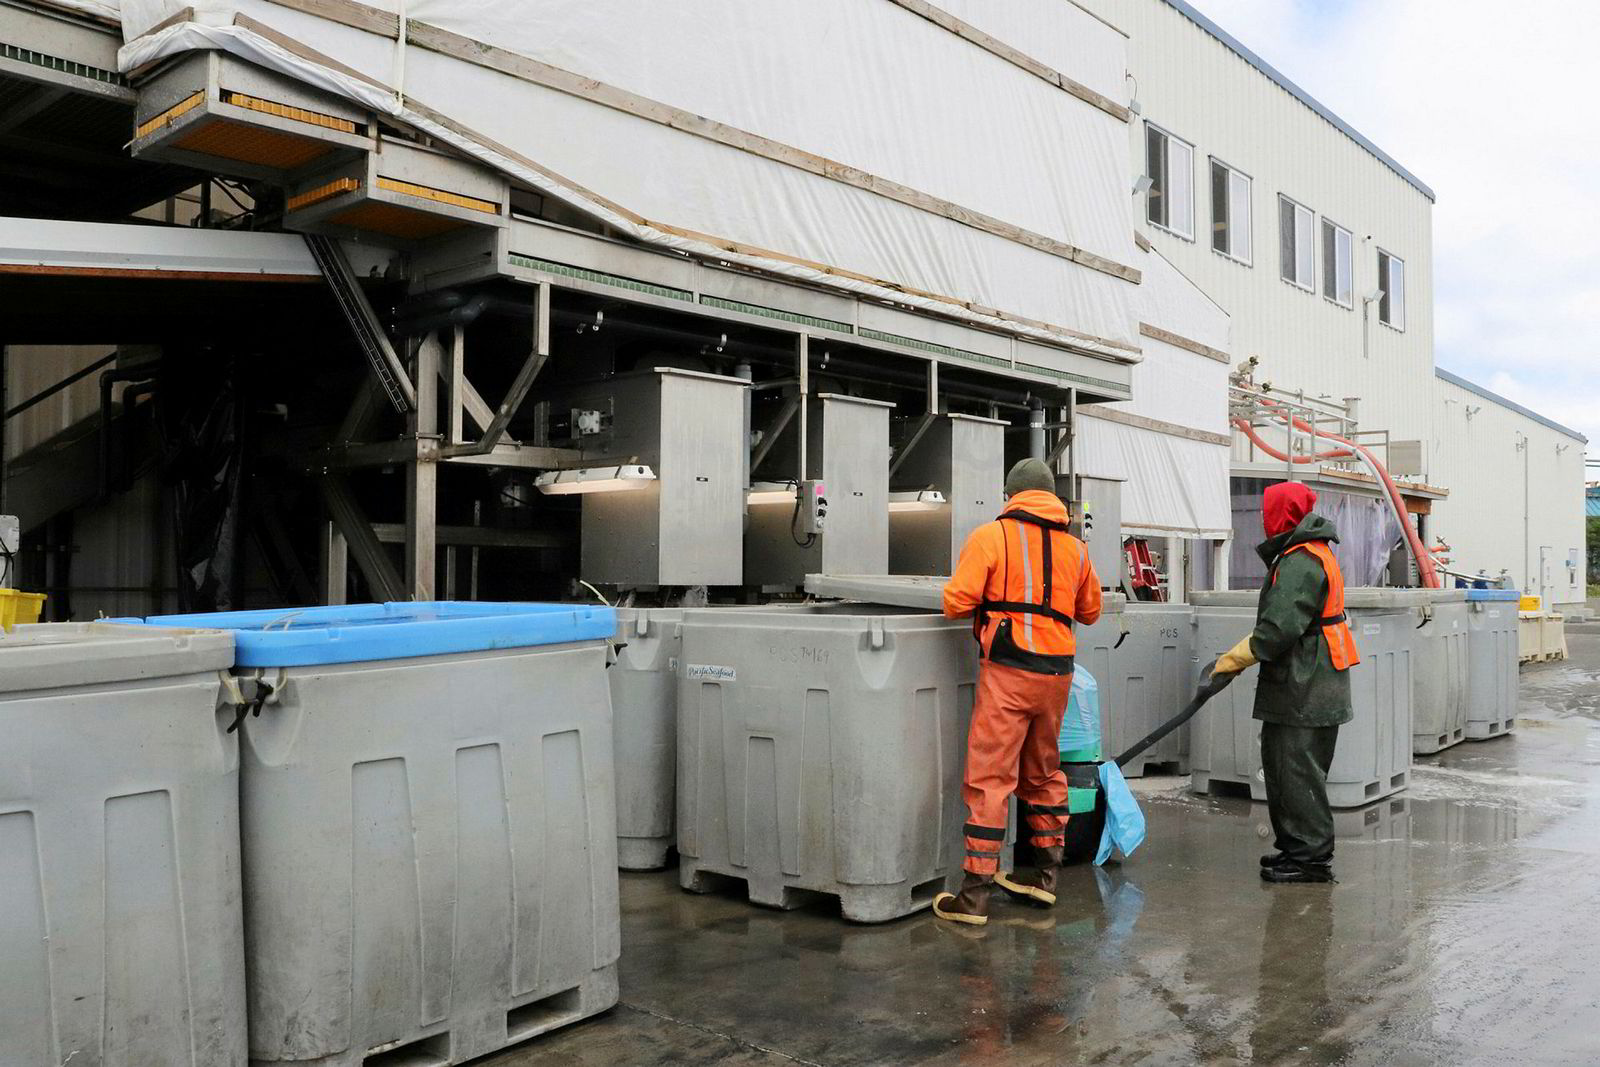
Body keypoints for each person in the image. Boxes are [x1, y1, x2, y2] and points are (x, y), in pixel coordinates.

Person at [934, 458, 1102, 926]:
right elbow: (1091, 612)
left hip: (1008, 673)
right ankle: (1045, 880)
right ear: (1052, 499)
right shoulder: (1076, 548)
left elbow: (955, 602)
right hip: (1056, 677)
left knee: (990, 779)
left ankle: (973, 896)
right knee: (1045, 773)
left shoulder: (991, 537)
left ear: (1011, 495)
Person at [1213, 481, 1361, 884]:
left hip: (1306, 683)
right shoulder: (1308, 552)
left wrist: (1237, 657)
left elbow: (1279, 629)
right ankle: (1296, 849)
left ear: (1283, 514)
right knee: (1286, 766)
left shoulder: (1300, 559)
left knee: (1296, 769)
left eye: (1267, 512)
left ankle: (1310, 859)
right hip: (1309, 679)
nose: (1263, 520)